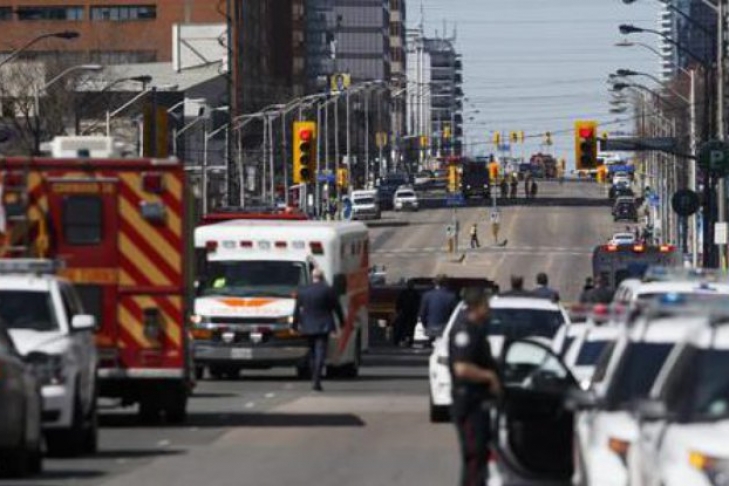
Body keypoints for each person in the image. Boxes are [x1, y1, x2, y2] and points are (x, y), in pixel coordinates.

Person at [448, 288, 501, 486]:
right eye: (486, 305)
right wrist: (489, 376)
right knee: (474, 455)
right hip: (469, 403)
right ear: (476, 307)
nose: (489, 310)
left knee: (480, 455)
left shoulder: (477, 329)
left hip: (479, 403)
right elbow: (461, 368)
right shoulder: (464, 331)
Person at [292, 268, 344, 391]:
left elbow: (297, 310)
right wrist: (342, 322)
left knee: (312, 352)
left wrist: (294, 325)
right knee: (320, 352)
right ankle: (317, 379)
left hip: (307, 325)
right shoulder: (328, 290)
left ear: (312, 277)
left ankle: (314, 377)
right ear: (322, 277)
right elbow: (337, 307)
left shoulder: (303, 291)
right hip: (323, 325)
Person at [419, 274, 458, 344]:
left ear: (435, 283)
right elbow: (455, 315)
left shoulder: (427, 295)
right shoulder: (452, 296)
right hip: (445, 330)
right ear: (446, 283)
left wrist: (426, 326)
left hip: (430, 328)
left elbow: (422, 314)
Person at [394, 281, 420, 346]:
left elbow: (398, 302)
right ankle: (408, 340)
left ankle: (401, 339)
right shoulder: (415, 294)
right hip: (410, 313)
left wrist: (398, 310)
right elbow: (418, 303)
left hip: (406, 312)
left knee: (403, 327)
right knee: (409, 327)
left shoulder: (404, 293)